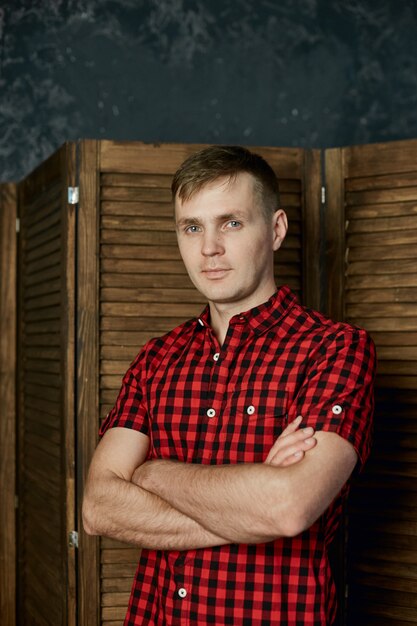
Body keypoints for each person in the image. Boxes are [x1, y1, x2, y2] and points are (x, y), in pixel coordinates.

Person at [82, 145, 376, 626]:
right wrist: (250, 501)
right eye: (192, 227)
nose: (208, 248)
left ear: (276, 229)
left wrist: (152, 475)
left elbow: (287, 508)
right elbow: (98, 507)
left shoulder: (336, 350)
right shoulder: (156, 359)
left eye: (231, 223)